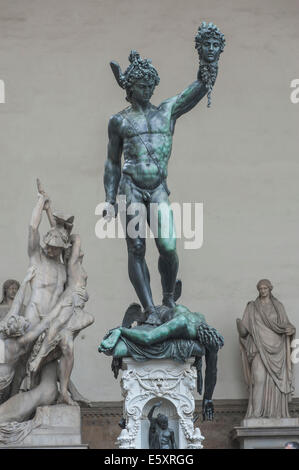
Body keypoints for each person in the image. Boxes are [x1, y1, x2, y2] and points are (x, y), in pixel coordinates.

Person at [103, 23, 225, 324]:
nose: (148, 90)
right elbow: (112, 163)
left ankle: (168, 299)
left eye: (150, 85)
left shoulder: (167, 111)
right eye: (141, 86)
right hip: (130, 185)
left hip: (158, 187)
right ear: (130, 88)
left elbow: (197, 89)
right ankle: (149, 308)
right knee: (137, 246)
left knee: (168, 246)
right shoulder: (118, 122)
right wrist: (109, 197)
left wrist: (209, 60)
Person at [99, 304, 223, 419]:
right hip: (157, 321)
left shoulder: (202, 321)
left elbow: (212, 370)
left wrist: (208, 399)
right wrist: (122, 331)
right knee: (116, 350)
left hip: (170, 325)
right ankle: (118, 331)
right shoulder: (183, 324)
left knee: (199, 350)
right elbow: (148, 338)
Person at [28, 234, 94, 405]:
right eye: (78, 252)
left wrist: (64, 236)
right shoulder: (72, 264)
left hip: (77, 309)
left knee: (68, 350)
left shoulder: (75, 265)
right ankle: (39, 359)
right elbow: (77, 238)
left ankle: (64, 391)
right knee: (56, 327)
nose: (82, 253)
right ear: (71, 253)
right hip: (70, 302)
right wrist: (70, 236)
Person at [237, 279, 296, 419]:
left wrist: (291, 330)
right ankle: (255, 414)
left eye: (265, 288)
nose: (262, 291)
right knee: (259, 379)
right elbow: (244, 332)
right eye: (260, 289)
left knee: (276, 383)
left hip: (278, 349)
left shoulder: (278, 306)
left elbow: (286, 325)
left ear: (270, 289)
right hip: (258, 347)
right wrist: (239, 325)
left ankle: (277, 413)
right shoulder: (252, 307)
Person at [0, 266, 56, 404]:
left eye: (19, 319)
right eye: (17, 319)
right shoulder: (11, 338)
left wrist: (25, 282)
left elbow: (17, 304)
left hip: (6, 382)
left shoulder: (12, 337)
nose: (17, 317)